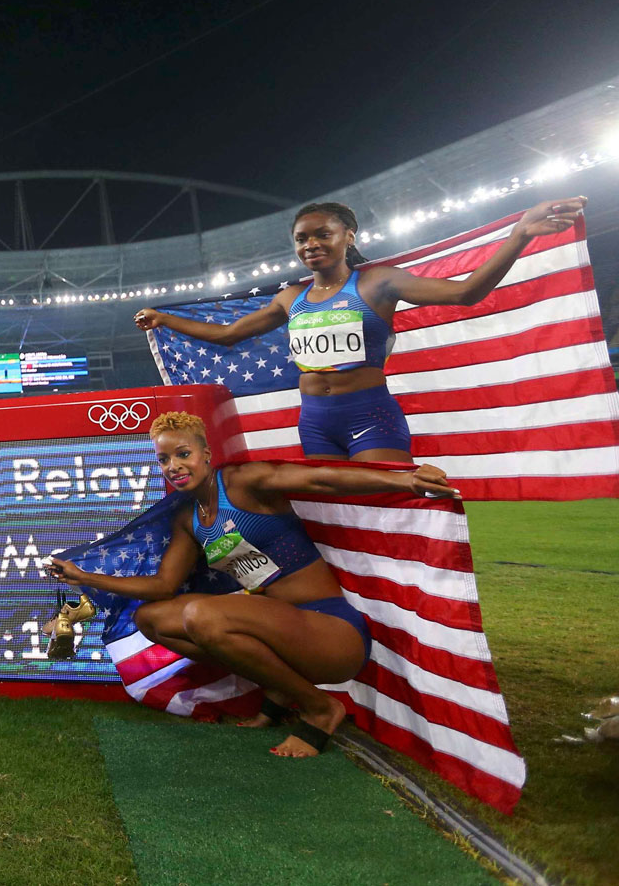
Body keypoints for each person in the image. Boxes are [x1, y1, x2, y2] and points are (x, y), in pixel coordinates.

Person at [44, 411, 459, 757]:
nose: (174, 466)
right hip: (281, 627)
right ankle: (280, 692)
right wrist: (83, 577)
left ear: (206, 454)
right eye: (164, 459)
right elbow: (162, 587)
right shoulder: (189, 519)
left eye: (183, 453)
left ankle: (319, 709)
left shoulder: (242, 482)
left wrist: (404, 479)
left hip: (332, 633)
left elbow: (322, 479)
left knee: (202, 614)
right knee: (154, 619)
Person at [134, 196, 587, 461]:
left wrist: (520, 234)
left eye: (321, 234)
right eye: (301, 239)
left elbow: (465, 292)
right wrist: (164, 318)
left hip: (368, 415)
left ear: (348, 235)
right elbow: (229, 335)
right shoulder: (291, 298)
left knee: (386, 512)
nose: (310, 244)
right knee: (348, 526)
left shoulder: (378, 282)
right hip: (313, 422)